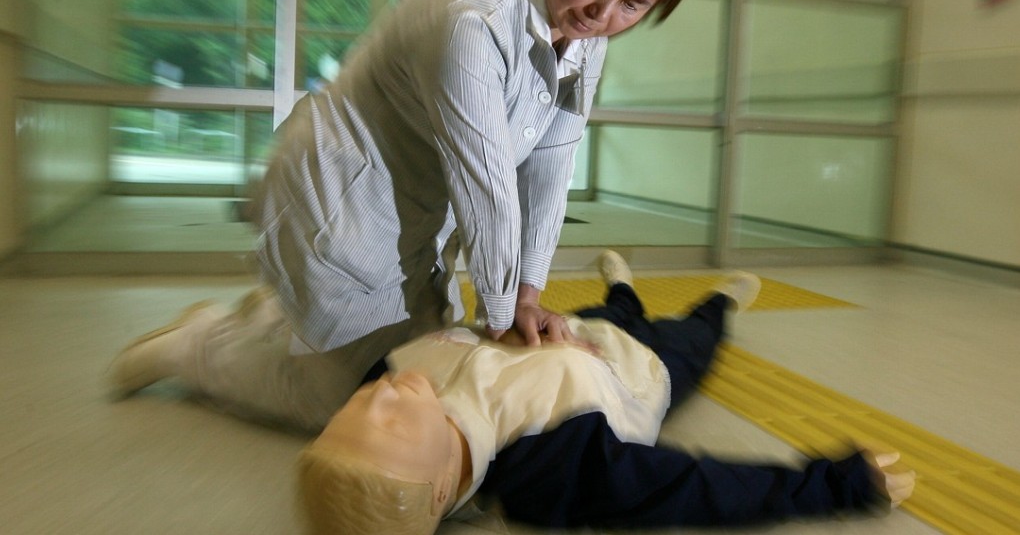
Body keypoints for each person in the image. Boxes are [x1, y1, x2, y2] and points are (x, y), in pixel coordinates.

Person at [250, 0, 709, 362]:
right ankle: (205, 346)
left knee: (431, 359)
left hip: (418, 212)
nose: (603, 13)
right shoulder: (474, 16)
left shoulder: (585, 41)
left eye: (633, 5)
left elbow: (550, 168)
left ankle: (266, 327)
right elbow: (485, 178)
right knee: (357, 390)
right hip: (338, 197)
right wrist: (506, 312)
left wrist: (526, 298)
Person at [298, 252, 916, 534]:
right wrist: (836, 486)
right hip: (646, 369)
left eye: (350, 413)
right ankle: (721, 299)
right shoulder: (546, 469)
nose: (374, 399)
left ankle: (621, 285)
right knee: (697, 333)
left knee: (610, 307)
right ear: (439, 488)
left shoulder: (389, 377)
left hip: (560, 329)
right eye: (389, 425)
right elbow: (690, 490)